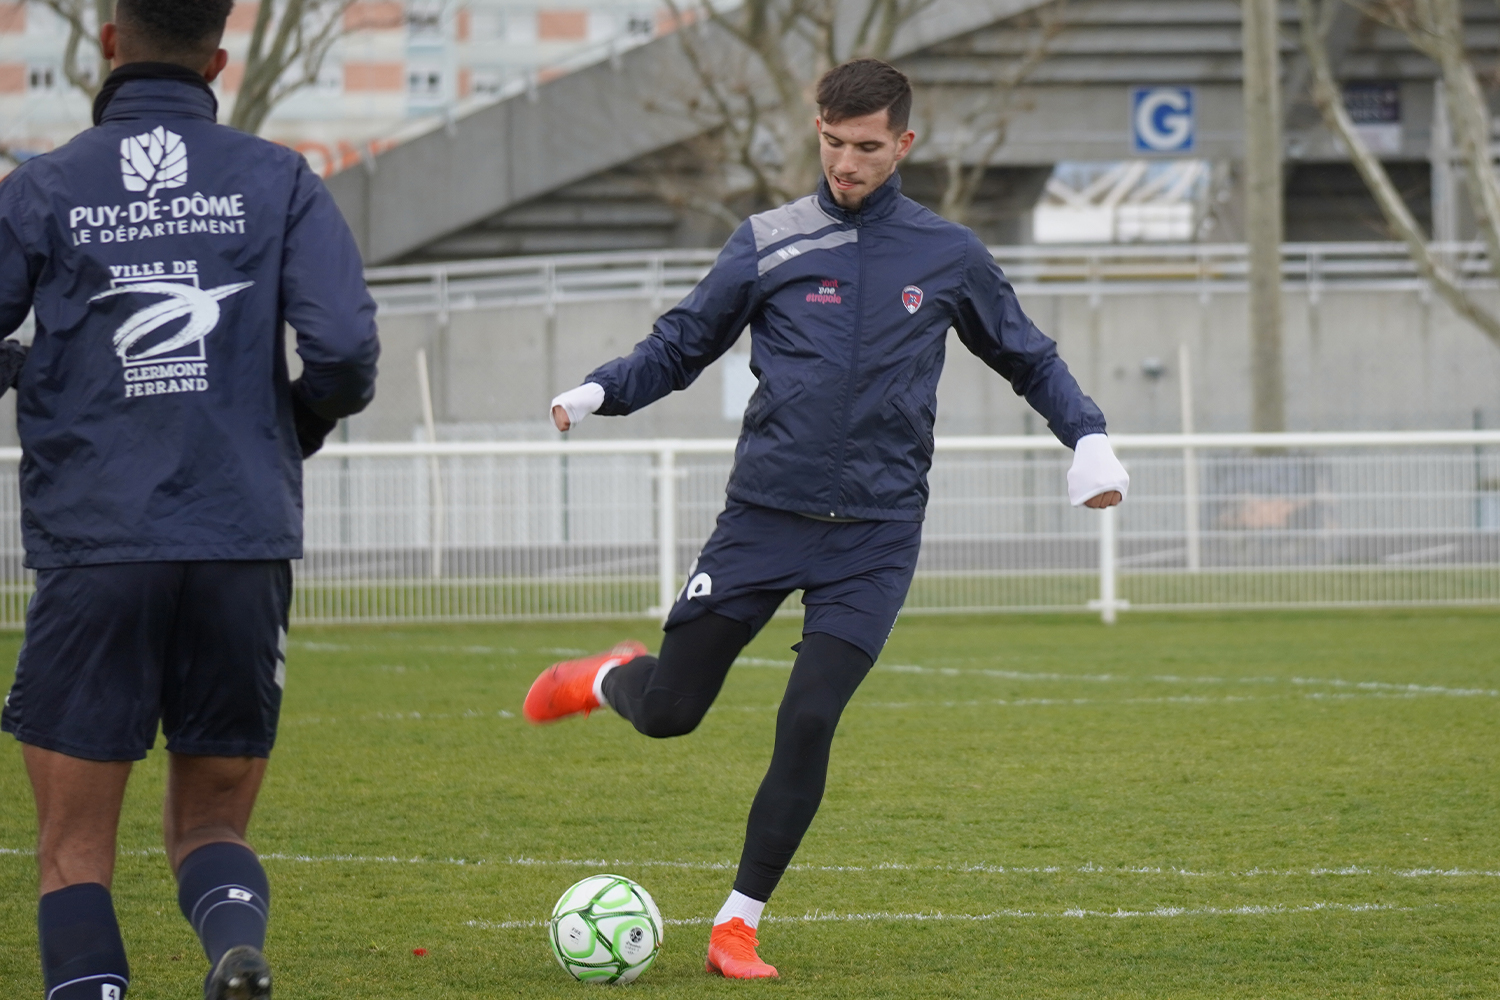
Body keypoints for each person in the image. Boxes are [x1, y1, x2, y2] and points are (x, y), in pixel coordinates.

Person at [523, 58, 1127, 979]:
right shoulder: (767, 241)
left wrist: (1088, 437)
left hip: (876, 536)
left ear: (904, 144)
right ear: (818, 130)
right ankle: (608, 676)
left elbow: (1030, 358)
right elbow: (683, 343)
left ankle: (737, 926)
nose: (847, 162)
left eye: (868, 147)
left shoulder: (949, 255)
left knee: (808, 718)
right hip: (763, 519)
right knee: (671, 713)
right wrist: (601, 389)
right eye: (834, 142)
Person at [0, 1, 380, 997]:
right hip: (239, 540)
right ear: (218, 57)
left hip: (97, 542)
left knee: (73, 850)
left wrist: (31, 372)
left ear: (109, 43)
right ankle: (231, 954)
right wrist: (287, 427)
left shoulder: (43, 186)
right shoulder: (279, 178)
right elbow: (344, 351)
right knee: (209, 824)